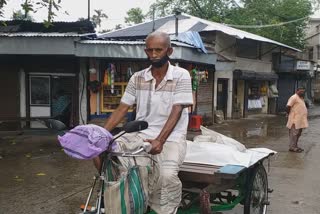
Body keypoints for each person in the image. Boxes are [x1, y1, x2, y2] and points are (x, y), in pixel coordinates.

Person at [94, 31, 193, 213]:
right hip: (139, 134)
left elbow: (177, 109)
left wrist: (160, 141)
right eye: (150, 50)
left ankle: (165, 210)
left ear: (169, 51)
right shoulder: (137, 77)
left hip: (171, 138)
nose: (154, 55)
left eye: (158, 50)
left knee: (166, 176)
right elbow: (122, 108)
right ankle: (115, 199)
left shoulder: (181, 75)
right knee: (103, 154)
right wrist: (100, 135)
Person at [286, 87, 308, 153]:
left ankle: (295, 146)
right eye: (300, 91)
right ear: (297, 91)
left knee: (298, 134)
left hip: (300, 120)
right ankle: (292, 148)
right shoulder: (294, 97)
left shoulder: (301, 98)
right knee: (294, 134)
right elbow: (288, 106)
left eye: (303, 92)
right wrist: (288, 114)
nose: (302, 93)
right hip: (294, 119)